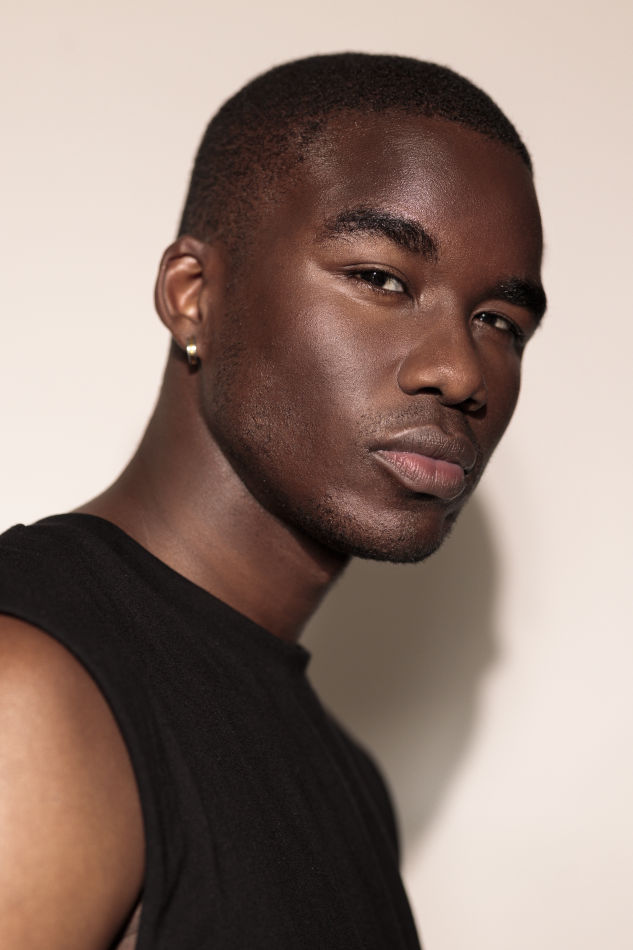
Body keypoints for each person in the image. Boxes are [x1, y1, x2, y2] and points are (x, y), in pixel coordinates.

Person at [0, 53, 546, 949]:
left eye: (500, 321)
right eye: (381, 279)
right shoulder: (31, 689)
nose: (459, 371)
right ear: (193, 296)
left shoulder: (347, 779)